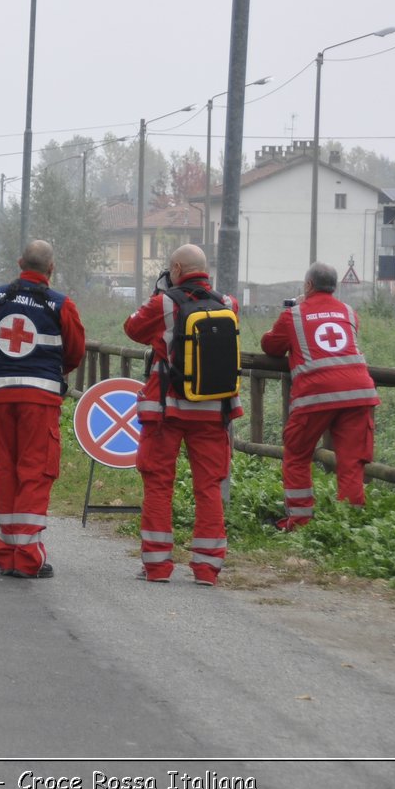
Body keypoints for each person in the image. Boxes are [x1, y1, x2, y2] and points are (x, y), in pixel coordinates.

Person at [0, 240, 86, 579]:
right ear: (51, 269)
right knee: (35, 470)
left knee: (5, 469)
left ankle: (7, 552)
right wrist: (57, 371)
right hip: (39, 398)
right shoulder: (61, 305)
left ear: (19, 263)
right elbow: (75, 350)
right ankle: (28, 555)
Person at [124, 244, 240, 586]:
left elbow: (132, 329)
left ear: (176, 267)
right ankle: (207, 568)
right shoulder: (228, 304)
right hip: (212, 412)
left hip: (167, 411)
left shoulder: (164, 303)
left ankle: (157, 566)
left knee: (159, 484)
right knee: (209, 486)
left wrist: (157, 294)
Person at [260, 261, 379, 529]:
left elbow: (271, 345)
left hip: (315, 395)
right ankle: (351, 523)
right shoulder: (349, 312)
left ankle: (300, 519)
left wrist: (293, 309)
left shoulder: (294, 316)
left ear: (308, 285)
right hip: (359, 393)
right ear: (334, 287)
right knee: (351, 460)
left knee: (297, 453)